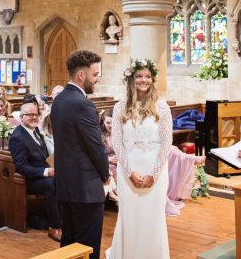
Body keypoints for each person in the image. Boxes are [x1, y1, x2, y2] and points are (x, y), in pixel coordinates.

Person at [107, 59, 173, 259]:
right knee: (130, 217)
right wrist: (129, 172)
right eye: (139, 76)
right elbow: (117, 142)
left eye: (147, 76)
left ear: (152, 80)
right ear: (131, 80)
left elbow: (166, 143)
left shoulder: (162, 108)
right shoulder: (120, 108)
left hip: (155, 169)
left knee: (153, 218)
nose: (143, 80)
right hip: (129, 169)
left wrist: (153, 174)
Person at [50, 50, 110, 259]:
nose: (97, 79)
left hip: (65, 184)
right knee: (88, 246)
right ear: (81, 76)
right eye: (95, 75)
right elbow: (95, 146)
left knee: (69, 244)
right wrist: (105, 174)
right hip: (85, 187)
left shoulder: (58, 101)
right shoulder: (82, 104)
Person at [9, 101, 62, 242]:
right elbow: (21, 167)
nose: (34, 117)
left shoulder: (36, 131)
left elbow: (44, 156)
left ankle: (65, 221)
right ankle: (54, 227)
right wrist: (46, 172)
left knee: (66, 178)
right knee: (52, 183)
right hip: (29, 180)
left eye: (36, 114)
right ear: (21, 117)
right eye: (30, 115)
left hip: (43, 174)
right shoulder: (17, 137)